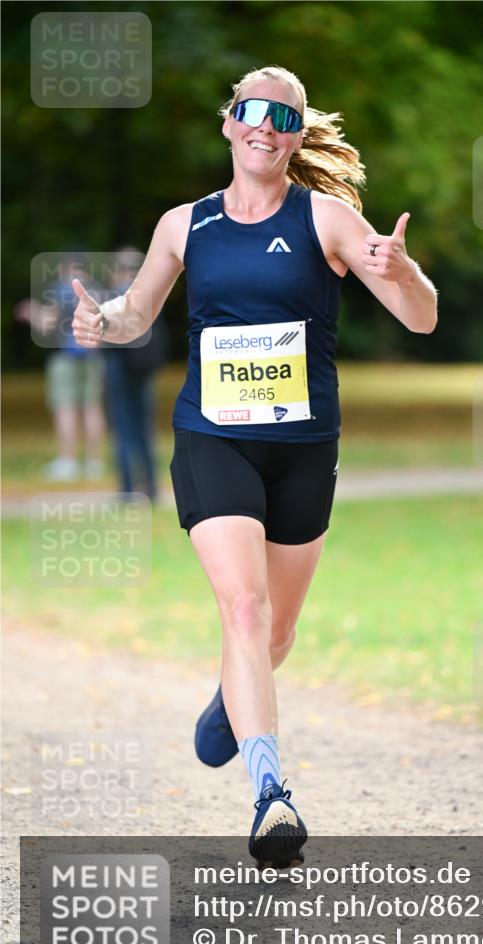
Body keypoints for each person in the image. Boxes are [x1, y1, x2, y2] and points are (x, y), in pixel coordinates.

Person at [71, 65, 438, 869]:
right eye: (252, 110)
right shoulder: (185, 225)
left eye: (284, 115)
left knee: (275, 630)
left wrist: (402, 271)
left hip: (305, 446)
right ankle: (271, 793)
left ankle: (228, 705)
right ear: (230, 123)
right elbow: (137, 315)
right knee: (243, 609)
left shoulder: (329, 219)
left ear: (297, 135)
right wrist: (102, 319)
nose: (265, 125)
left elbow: (419, 317)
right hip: (215, 437)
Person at [15, 257, 106, 481]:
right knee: (92, 407)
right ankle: (94, 462)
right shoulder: (96, 289)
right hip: (94, 356)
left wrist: (31, 311)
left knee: (65, 407)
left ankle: (68, 461)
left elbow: (47, 323)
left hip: (64, 357)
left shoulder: (60, 288)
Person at [103, 247, 167, 502]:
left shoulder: (112, 299)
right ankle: (151, 488)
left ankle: (128, 490)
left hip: (118, 372)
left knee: (123, 431)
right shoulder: (148, 297)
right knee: (144, 430)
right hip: (144, 372)